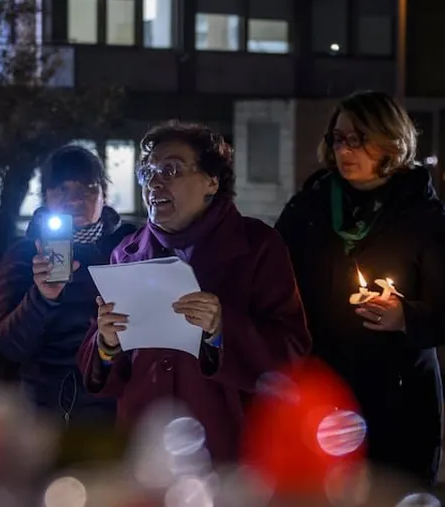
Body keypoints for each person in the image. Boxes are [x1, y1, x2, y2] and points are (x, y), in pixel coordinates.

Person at [78, 121, 310, 463]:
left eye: (170, 169)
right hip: (148, 447)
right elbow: (101, 365)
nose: (155, 182)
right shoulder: (126, 252)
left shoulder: (258, 247)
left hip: (227, 446)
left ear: (212, 182)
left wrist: (220, 329)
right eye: (147, 172)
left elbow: (291, 353)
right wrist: (106, 342)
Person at [273, 91, 445, 486]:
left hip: (398, 399)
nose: (345, 149)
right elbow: (272, 286)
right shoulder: (307, 209)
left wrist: (406, 316)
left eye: (358, 139)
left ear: (392, 142)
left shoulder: (427, 218)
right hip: (322, 388)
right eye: (338, 138)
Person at [0, 146, 137, 425]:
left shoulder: (131, 246)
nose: (75, 198)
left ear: (104, 195)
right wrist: (42, 298)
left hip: (118, 401)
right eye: (62, 189)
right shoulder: (24, 254)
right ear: (45, 197)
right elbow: (10, 346)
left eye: (88, 187)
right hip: (46, 405)